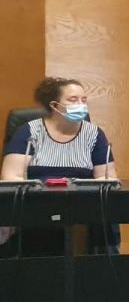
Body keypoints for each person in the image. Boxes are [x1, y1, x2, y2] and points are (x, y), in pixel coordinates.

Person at [1, 77, 119, 255]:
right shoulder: (29, 131)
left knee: (105, 217)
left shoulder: (94, 134)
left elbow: (107, 178)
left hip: (82, 205)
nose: (80, 105)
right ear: (54, 105)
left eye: (83, 100)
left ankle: (100, 266)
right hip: (36, 205)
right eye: (73, 99)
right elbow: (10, 177)